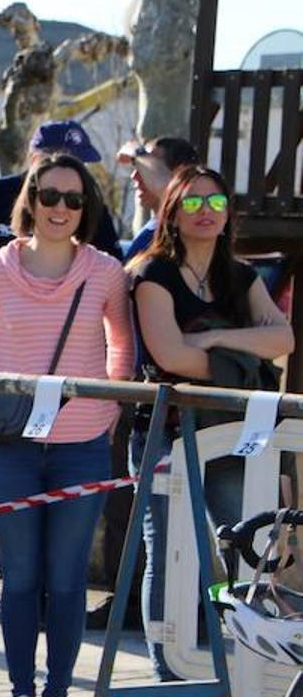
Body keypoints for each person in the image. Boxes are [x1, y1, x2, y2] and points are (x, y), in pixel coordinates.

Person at [0, 153, 134, 697]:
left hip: (82, 445)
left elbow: (122, 348)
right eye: (51, 195)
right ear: (31, 199)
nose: (61, 208)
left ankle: (57, 696)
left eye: (74, 199)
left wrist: (104, 410)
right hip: (12, 446)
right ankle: (19, 692)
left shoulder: (106, 271)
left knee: (66, 578)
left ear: (85, 210)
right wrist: (6, 393)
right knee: (19, 574)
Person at [0, 119, 123, 620]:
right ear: (32, 158)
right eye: (55, 164)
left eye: (76, 176)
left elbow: (112, 299)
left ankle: (40, 597)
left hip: (63, 387)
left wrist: (108, 392)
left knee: (51, 490)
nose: (62, 202)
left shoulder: (89, 207)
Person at [126, 166, 292, 697]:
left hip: (234, 438)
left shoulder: (241, 276)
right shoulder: (152, 273)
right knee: (171, 555)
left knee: (250, 554)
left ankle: (251, 678)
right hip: (169, 434)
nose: (206, 210)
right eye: (193, 201)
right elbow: (170, 357)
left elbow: (283, 339)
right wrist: (244, 364)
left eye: (216, 199)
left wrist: (218, 338)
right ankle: (172, 686)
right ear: (170, 211)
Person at [87, 135, 201, 632]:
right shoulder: (143, 237)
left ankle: (180, 613)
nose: (133, 176)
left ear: (177, 177)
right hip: (129, 391)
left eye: (145, 167)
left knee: (172, 517)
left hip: (175, 399)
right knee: (123, 506)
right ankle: (126, 598)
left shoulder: (190, 245)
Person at [120, 137, 201, 262]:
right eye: (137, 167)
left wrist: (138, 152)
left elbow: (168, 187)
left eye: (145, 167)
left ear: (179, 173)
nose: (134, 176)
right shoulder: (152, 229)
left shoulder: (184, 228)